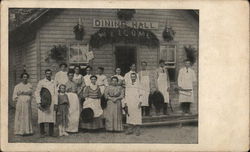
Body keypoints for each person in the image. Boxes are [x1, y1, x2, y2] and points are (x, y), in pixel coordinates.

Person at [35, 69, 58, 137]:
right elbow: (37, 92)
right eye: (47, 73)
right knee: (42, 117)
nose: (48, 75)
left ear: (51, 74)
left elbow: (56, 93)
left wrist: (56, 103)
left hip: (52, 102)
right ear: (45, 74)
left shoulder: (54, 82)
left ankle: (51, 133)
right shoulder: (41, 82)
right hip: (43, 102)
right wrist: (38, 102)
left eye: (50, 73)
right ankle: (42, 132)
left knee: (51, 117)